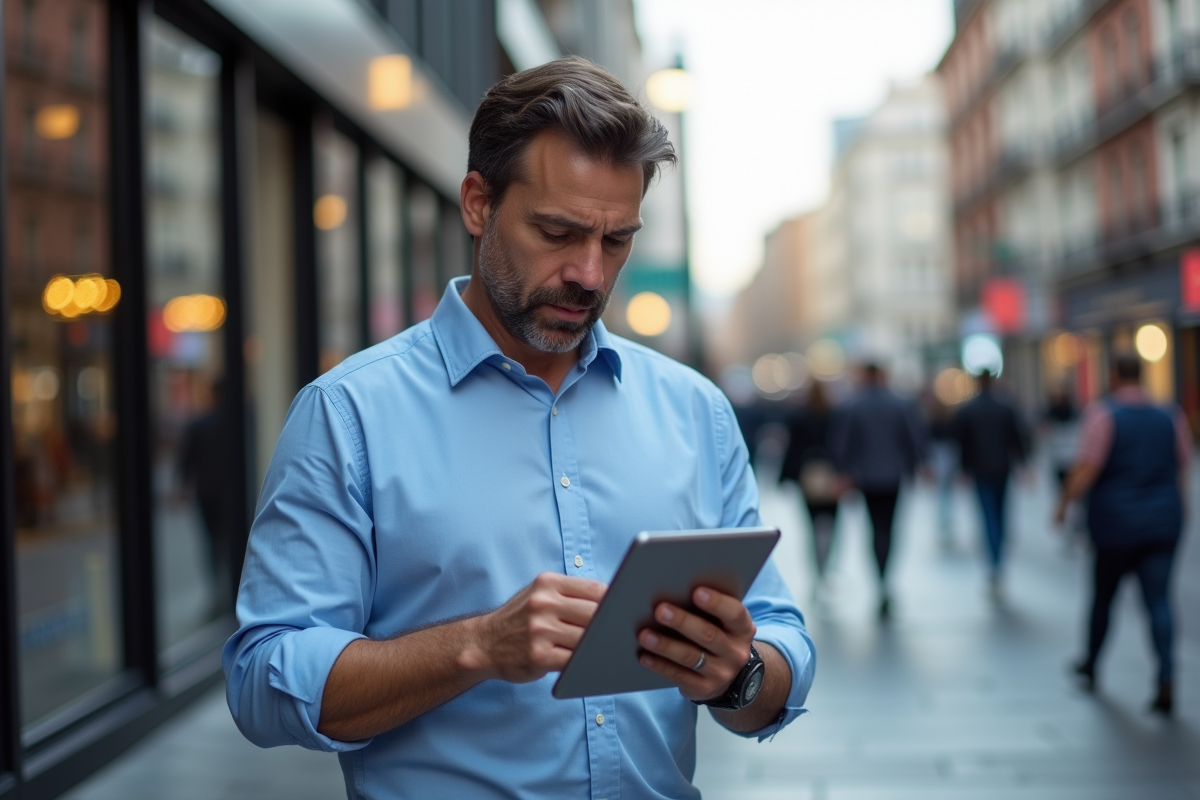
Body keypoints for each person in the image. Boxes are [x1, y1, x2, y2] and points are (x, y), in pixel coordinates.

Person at [223, 58, 815, 799]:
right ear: (478, 204)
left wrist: (739, 674)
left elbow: (781, 639)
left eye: (616, 241)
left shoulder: (695, 412)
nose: (590, 274)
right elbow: (262, 680)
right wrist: (475, 646)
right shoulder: (349, 415)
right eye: (558, 232)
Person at [1055, 353, 1188, 716]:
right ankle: (1167, 675)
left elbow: (1087, 467)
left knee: (1104, 597)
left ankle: (1092, 663)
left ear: (1114, 376)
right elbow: (1182, 466)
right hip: (1162, 522)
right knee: (1159, 601)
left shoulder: (1103, 416)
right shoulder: (1171, 415)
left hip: (1115, 525)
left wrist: (1064, 504)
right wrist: (1181, 509)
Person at [829, 362, 922, 619]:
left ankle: (880, 577)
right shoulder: (899, 404)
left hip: (867, 478)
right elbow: (913, 438)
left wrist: (844, 472)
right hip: (893, 475)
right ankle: (885, 577)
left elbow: (842, 444)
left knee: (874, 528)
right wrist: (918, 465)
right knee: (888, 528)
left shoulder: (853, 406)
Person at [953, 370, 1028, 599]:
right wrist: (1024, 465)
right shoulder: (1006, 407)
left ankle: (995, 564)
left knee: (988, 517)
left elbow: (961, 443)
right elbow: (1018, 438)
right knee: (1000, 515)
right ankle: (998, 561)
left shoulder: (968, 409)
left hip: (981, 470)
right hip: (1001, 468)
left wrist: (963, 469)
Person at [779, 382, 842, 599]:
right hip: (831, 475)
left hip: (807, 475)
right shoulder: (834, 415)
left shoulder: (799, 415)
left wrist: (786, 476)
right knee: (831, 524)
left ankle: (817, 570)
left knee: (812, 526)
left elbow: (792, 448)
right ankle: (824, 567)